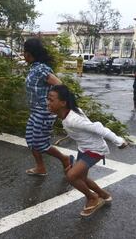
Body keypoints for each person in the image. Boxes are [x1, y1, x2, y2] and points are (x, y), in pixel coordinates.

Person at [47, 84, 128, 216]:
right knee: (81, 178)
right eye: (48, 99)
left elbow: (98, 127)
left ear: (63, 103)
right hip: (84, 148)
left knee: (72, 176)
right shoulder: (67, 113)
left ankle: (92, 198)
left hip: (94, 149)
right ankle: (103, 194)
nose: (48, 102)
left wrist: (118, 141)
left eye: (51, 100)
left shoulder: (74, 120)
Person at [24, 38, 72, 176]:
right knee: (31, 140)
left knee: (39, 143)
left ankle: (65, 159)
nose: (23, 55)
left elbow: (60, 85)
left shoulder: (41, 69)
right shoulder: (34, 67)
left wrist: (54, 104)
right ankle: (40, 168)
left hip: (44, 112)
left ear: (28, 53)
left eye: (24, 52)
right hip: (35, 111)